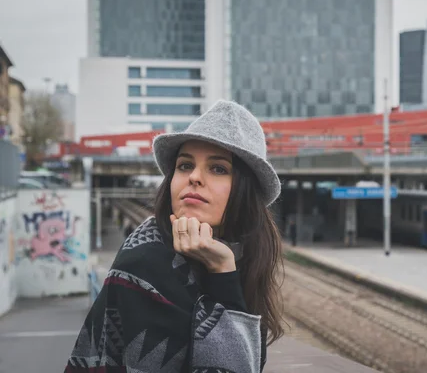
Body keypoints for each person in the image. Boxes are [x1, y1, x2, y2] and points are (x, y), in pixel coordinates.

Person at [64, 100, 284, 373]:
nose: (194, 176)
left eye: (218, 168)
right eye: (184, 165)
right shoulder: (147, 264)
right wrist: (223, 274)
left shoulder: (239, 254)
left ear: (245, 191)